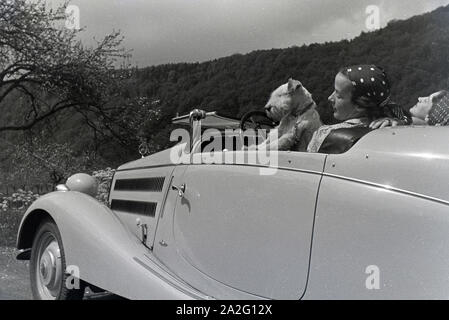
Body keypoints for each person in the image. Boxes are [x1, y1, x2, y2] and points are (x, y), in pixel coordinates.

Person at [307, 64, 410, 153]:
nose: (330, 98)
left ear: (359, 106)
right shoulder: (398, 125)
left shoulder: (324, 133)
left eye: (338, 95)